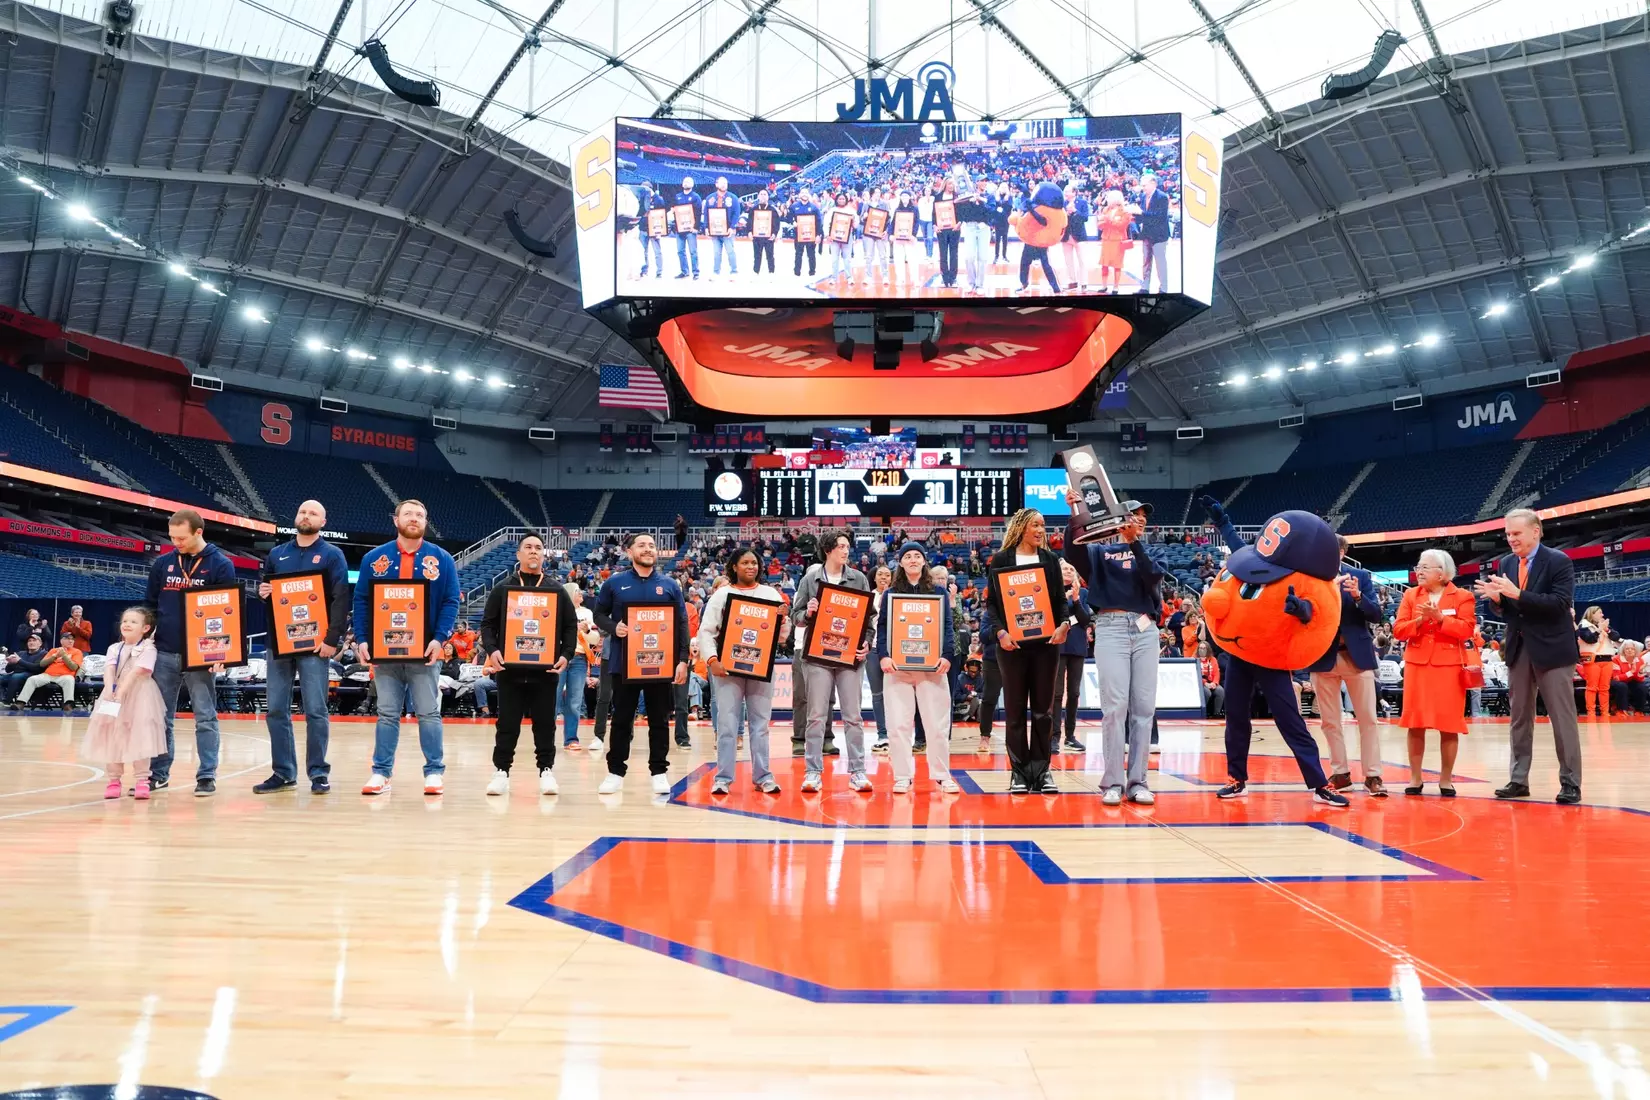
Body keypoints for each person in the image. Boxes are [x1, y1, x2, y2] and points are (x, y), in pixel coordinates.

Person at [353, 499, 462, 796]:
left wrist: (439, 639)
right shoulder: (375, 559)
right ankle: (381, 773)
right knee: (387, 713)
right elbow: (362, 600)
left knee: (428, 713)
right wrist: (362, 639)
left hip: (424, 654)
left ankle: (434, 772)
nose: (414, 519)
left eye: (420, 515)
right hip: (385, 653)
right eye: (408, 514)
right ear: (396, 520)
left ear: (426, 522)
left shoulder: (442, 559)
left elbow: (451, 601)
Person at [1474, 508, 1582, 804]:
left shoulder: (1558, 561)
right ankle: (1518, 779)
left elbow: (1560, 604)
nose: (1511, 539)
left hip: (1553, 650)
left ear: (1536, 531)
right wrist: (1498, 601)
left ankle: (1570, 782)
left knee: (1562, 719)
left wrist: (1516, 594)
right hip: (1519, 649)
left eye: (1516, 533)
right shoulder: (1507, 562)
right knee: (1519, 718)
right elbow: (1509, 612)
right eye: (1508, 534)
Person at [1065, 495, 1159, 805]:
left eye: (1144, 516)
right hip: (1110, 626)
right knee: (1115, 708)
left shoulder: (1150, 551)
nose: (1140, 518)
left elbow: (1152, 577)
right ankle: (1113, 782)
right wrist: (1075, 512)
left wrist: (1135, 544)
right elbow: (1072, 550)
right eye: (1134, 514)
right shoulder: (1099, 552)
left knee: (1144, 709)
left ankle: (1139, 781)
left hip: (1145, 629)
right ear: (1120, 519)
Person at [253, 499, 351, 795]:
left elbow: (340, 598)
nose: (306, 516)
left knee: (316, 710)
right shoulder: (277, 553)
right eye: (302, 512)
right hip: (279, 644)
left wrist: (331, 640)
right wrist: (263, 592)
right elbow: (268, 592)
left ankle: (318, 773)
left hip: (315, 645)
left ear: (323, 522)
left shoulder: (332, 555)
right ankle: (283, 773)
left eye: (313, 513)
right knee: (276, 710)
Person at [147, 509, 237, 796]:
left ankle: (207, 775)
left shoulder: (221, 565)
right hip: (164, 652)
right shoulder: (163, 564)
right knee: (160, 717)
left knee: (205, 717)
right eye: (172, 537)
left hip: (201, 655)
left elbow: (227, 612)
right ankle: (158, 774)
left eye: (181, 537)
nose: (176, 543)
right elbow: (149, 604)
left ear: (199, 532)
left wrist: (222, 652)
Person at [480, 533, 578, 797]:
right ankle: (501, 772)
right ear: (519, 554)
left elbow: (570, 626)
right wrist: (492, 650)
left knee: (545, 723)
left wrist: (566, 655)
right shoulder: (503, 588)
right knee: (507, 723)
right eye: (528, 547)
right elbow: (487, 625)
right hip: (509, 670)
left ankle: (546, 770)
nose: (534, 551)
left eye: (538, 548)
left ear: (543, 554)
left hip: (545, 670)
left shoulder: (556, 588)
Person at [593, 533, 690, 795]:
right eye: (642, 545)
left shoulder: (670, 584)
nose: (648, 549)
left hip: (660, 664)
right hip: (623, 663)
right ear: (629, 551)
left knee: (659, 719)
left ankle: (659, 771)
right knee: (622, 718)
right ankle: (615, 772)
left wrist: (683, 660)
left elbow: (681, 623)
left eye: (651, 546)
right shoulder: (614, 583)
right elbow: (598, 614)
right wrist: (615, 627)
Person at [986, 508, 1070, 794]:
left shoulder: (1050, 560)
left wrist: (1063, 625)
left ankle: (1042, 771)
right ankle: (1019, 773)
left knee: (1044, 712)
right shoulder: (1001, 560)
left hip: (1046, 646)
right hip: (1012, 646)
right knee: (1015, 711)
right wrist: (1001, 632)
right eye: (1035, 524)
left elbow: (1060, 601)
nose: (1040, 530)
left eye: (1043, 525)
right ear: (1021, 527)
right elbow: (993, 605)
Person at [697, 547, 790, 796]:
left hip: (760, 666)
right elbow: (706, 631)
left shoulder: (770, 594)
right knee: (727, 724)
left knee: (760, 725)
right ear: (734, 567)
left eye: (754, 563)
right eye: (745, 563)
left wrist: (784, 619)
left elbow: (781, 638)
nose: (751, 567)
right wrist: (712, 659)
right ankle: (723, 778)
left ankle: (763, 776)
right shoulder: (722, 595)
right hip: (728, 669)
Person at [791, 529, 876, 793]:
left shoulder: (859, 578)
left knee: (853, 717)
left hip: (849, 655)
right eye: (841, 546)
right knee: (816, 716)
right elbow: (796, 615)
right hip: (817, 655)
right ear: (828, 549)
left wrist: (867, 643)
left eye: (847, 546)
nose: (846, 550)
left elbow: (869, 618)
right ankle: (813, 772)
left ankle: (858, 772)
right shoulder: (810, 578)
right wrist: (808, 613)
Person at [1305, 535, 1388, 797]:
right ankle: (1340, 773)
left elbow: (1376, 614)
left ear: (1342, 552)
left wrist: (1358, 595)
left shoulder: (1360, 576)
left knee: (1368, 719)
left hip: (1357, 655)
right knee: (1329, 721)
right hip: (1323, 655)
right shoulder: (1310, 577)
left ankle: (1373, 775)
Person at [877, 541, 961, 794]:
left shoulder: (939, 592)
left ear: (924, 561)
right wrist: (883, 655)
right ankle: (902, 775)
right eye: (907, 556)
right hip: (898, 668)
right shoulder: (890, 594)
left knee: (937, 724)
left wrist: (947, 654)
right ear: (900, 563)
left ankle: (942, 775)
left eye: (917, 556)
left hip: (932, 667)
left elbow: (947, 626)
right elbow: (882, 628)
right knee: (898, 725)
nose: (913, 560)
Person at [1392, 549, 1475, 795]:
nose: (1419, 571)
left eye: (1425, 567)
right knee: (1415, 723)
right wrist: (1419, 622)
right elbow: (1398, 630)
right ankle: (1415, 778)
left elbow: (1466, 630)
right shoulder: (1410, 595)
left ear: (1442, 572)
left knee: (1448, 724)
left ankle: (1446, 779)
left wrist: (1440, 618)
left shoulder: (1462, 596)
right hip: (1417, 665)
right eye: (1418, 566)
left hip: (1449, 667)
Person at [81, 606, 167, 800]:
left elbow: (138, 671)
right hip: (113, 695)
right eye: (125, 621)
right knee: (111, 735)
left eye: (133, 622)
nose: (127, 624)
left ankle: (142, 780)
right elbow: (109, 670)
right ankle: (113, 780)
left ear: (145, 628)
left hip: (140, 696)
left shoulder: (148, 648)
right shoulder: (114, 648)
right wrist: (111, 689)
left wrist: (120, 691)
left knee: (140, 736)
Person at [1049, 559, 1092, 754]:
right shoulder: (1053, 592)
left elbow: (1085, 620)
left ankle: (1071, 736)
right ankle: (1054, 737)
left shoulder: (1083, 594)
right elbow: (1052, 616)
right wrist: (1065, 598)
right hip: (1057, 646)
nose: (1068, 570)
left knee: (1074, 693)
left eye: (1071, 568)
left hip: (1077, 647)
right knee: (1056, 694)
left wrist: (1075, 599)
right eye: (1065, 568)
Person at [560, 583, 597, 750]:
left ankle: (571, 739)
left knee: (575, 702)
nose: (581, 593)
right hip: (559, 658)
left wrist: (588, 632)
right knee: (553, 699)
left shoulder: (587, 613)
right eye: (576, 591)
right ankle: (545, 738)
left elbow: (595, 640)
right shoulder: (558, 611)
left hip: (580, 659)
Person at [8, 630, 83, 711]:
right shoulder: (53, 650)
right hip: (48, 675)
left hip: (65, 676)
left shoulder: (77, 652)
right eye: (67, 638)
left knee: (70, 680)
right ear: (61, 641)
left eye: (72, 639)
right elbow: (42, 664)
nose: (70, 641)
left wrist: (64, 656)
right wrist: (54, 657)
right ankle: (20, 703)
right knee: (32, 679)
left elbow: (74, 667)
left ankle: (68, 704)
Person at [866, 564, 893, 752]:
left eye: (887, 575)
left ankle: (897, 734)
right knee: (878, 694)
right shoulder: (868, 598)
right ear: (874, 578)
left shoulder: (897, 596)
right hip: (873, 649)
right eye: (880, 574)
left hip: (894, 651)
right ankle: (882, 734)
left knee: (897, 695)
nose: (884, 577)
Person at [1576, 606, 1619, 717]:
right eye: (1600, 613)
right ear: (1592, 614)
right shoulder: (1583, 626)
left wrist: (1607, 629)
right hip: (1593, 660)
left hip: (1607, 659)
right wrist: (1599, 629)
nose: (1602, 615)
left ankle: (1605, 712)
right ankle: (1591, 712)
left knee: (1605, 688)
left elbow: (1616, 637)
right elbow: (1590, 639)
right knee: (1592, 687)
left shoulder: (1605, 626)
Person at [1136, 171, 1172, 293]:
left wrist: (1141, 213)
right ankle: (1145, 287)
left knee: (1160, 262)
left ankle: (1163, 288)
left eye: (1144, 185)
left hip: (1159, 235)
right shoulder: (1142, 197)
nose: (1143, 188)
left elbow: (1160, 216)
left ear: (1153, 183)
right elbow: (1143, 216)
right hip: (1146, 234)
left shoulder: (1162, 197)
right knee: (1146, 261)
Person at [975, 604, 1004, 751]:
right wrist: (998, 629)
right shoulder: (989, 614)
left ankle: (1016, 737)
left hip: (1015, 659)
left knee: (1017, 699)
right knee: (989, 698)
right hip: (992, 660)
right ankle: (984, 736)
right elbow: (983, 636)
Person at [1098, 189, 1133, 293]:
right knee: (1104, 264)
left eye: (1109, 198)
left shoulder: (1125, 212)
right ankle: (1104, 285)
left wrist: (1108, 221)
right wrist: (1105, 222)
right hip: (1106, 239)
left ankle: (1116, 287)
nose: (1107, 200)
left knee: (1117, 264)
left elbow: (1122, 226)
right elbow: (1100, 225)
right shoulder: (1105, 210)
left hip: (1118, 241)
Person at [705, 177, 741, 277]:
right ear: (716, 184)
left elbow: (736, 214)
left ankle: (734, 271)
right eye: (722, 183)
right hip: (714, 231)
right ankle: (716, 272)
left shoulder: (733, 198)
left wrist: (732, 227)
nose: (724, 185)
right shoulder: (710, 198)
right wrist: (706, 227)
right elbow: (706, 214)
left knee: (730, 251)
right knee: (716, 253)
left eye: (726, 183)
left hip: (728, 231)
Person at [670, 175, 702, 279]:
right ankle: (684, 271)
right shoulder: (677, 196)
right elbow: (675, 211)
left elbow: (698, 213)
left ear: (692, 184)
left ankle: (696, 272)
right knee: (680, 251)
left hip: (691, 229)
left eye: (688, 181)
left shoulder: (696, 197)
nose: (686, 183)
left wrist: (696, 227)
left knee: (693, 251)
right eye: (684, 181)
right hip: (680, 229)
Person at [2, 635, 46, 702]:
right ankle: (1, 699)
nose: (31, 642)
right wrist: (10, 664)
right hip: (16, 674)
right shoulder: (21, 653)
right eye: (29, 641)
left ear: (40, 643)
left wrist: (19, 661)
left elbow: (36, 668)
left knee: (16, 677)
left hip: (32, 676)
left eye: (34, 640)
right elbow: (7, 670)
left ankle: (7, 701)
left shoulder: (43, 654)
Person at [789, 186, 821, 278]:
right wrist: (793, 222)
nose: (804, 194)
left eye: (806, 193)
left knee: (811, 254)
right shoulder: (794, 206)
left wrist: (818, 235)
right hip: (798, 235)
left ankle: (812, 272)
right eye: (802, 193)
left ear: (809, 195)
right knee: (798, 253)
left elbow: (818, 222)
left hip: (811, 235)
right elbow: (789, 217)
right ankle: (797, 272)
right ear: (799, 195)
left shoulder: (814, 208)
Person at [635, 181, 664, 278]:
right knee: (643, 251)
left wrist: (660, 231)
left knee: (657, 251)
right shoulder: (641, 198)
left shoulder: (659, 200)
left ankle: (659, 271)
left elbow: (662, 216)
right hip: (643, 228)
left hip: (654, 229)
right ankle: (644, 270)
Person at [748, 188, 777, 275]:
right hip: (757, 237)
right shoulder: (753, 209)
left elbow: (776, 223)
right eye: (761, 194)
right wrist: (749, 232)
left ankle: (771, 272)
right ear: (758, 196)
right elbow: (750, 221)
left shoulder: (772, 209)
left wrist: (774, 233)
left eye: (765, 194)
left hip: (769, 237)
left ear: (768, 197)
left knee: (770, 255)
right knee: (757, 255)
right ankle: (755, 272)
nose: (763, 196)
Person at [1198, 642, 1225, 717]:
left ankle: (1217, 713)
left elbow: (1217, 673)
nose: (1202, 650)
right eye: (1200, 648)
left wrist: (1214, 683)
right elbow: (1197, 674)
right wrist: (1205, 683)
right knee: (1207, 692)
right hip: (1201, 683)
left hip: (1212, 682)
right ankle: (1203, 713)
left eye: (1204, 648)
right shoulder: (1195, 659)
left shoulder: (1213, 659)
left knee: (1220, 690)